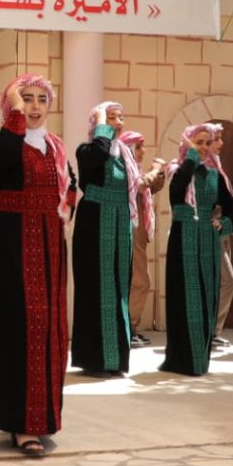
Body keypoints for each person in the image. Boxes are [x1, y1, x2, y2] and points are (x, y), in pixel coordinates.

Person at [0, 74, 76, 457]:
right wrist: (15, 119)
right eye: (25, 100)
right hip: (11, 248)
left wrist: (63, 207)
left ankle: (42, 417)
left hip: (50, 247)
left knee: (48, 330)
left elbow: (70, 188)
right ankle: (19, 422)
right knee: (16, 330)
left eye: (40, 99)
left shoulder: (55, 147)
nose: (34, 107)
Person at [72, 101, 140, 376]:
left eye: (120, 117)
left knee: (119, 288)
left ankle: (116, 360)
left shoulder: (126, 155)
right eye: (111, 117)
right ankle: (94, 360)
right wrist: (102, 126)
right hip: (94, 225)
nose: (118, 123)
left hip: (120, 225)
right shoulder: (87, 150)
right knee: (96, 288)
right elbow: (99, 154)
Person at [161, 124, 233, 375]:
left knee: (206, 297)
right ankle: (181, 360)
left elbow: (229, 205)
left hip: (207, 241)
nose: (204, 148)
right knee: (184, 297)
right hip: (183, 239)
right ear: (188, 144)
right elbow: (176, 192)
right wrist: (191, 157)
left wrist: (223, 224)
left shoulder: (215, 174)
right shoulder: (177, 169)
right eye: (198, 143)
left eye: (207, 143)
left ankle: (199, 360)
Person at [121, 130, 168, 347]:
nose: (142, 151)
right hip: (129, 233)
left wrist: (159, 173)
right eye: (138, 147)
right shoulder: (125, 170)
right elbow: (140, 185)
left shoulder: (134, 170)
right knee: (141, 281)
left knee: (136, 281)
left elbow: (151, 187)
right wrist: (155, 171)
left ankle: (129, 327)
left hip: (137, 235)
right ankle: (128, 328)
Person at [203, 125, 233, 350]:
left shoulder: (216, 166)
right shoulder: (204, 168)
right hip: (210, 233)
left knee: (219, 282)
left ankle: (213, 332)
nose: (220, 144)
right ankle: (210, 331)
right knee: (228, 281)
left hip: (222, 231)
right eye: (217, 139)